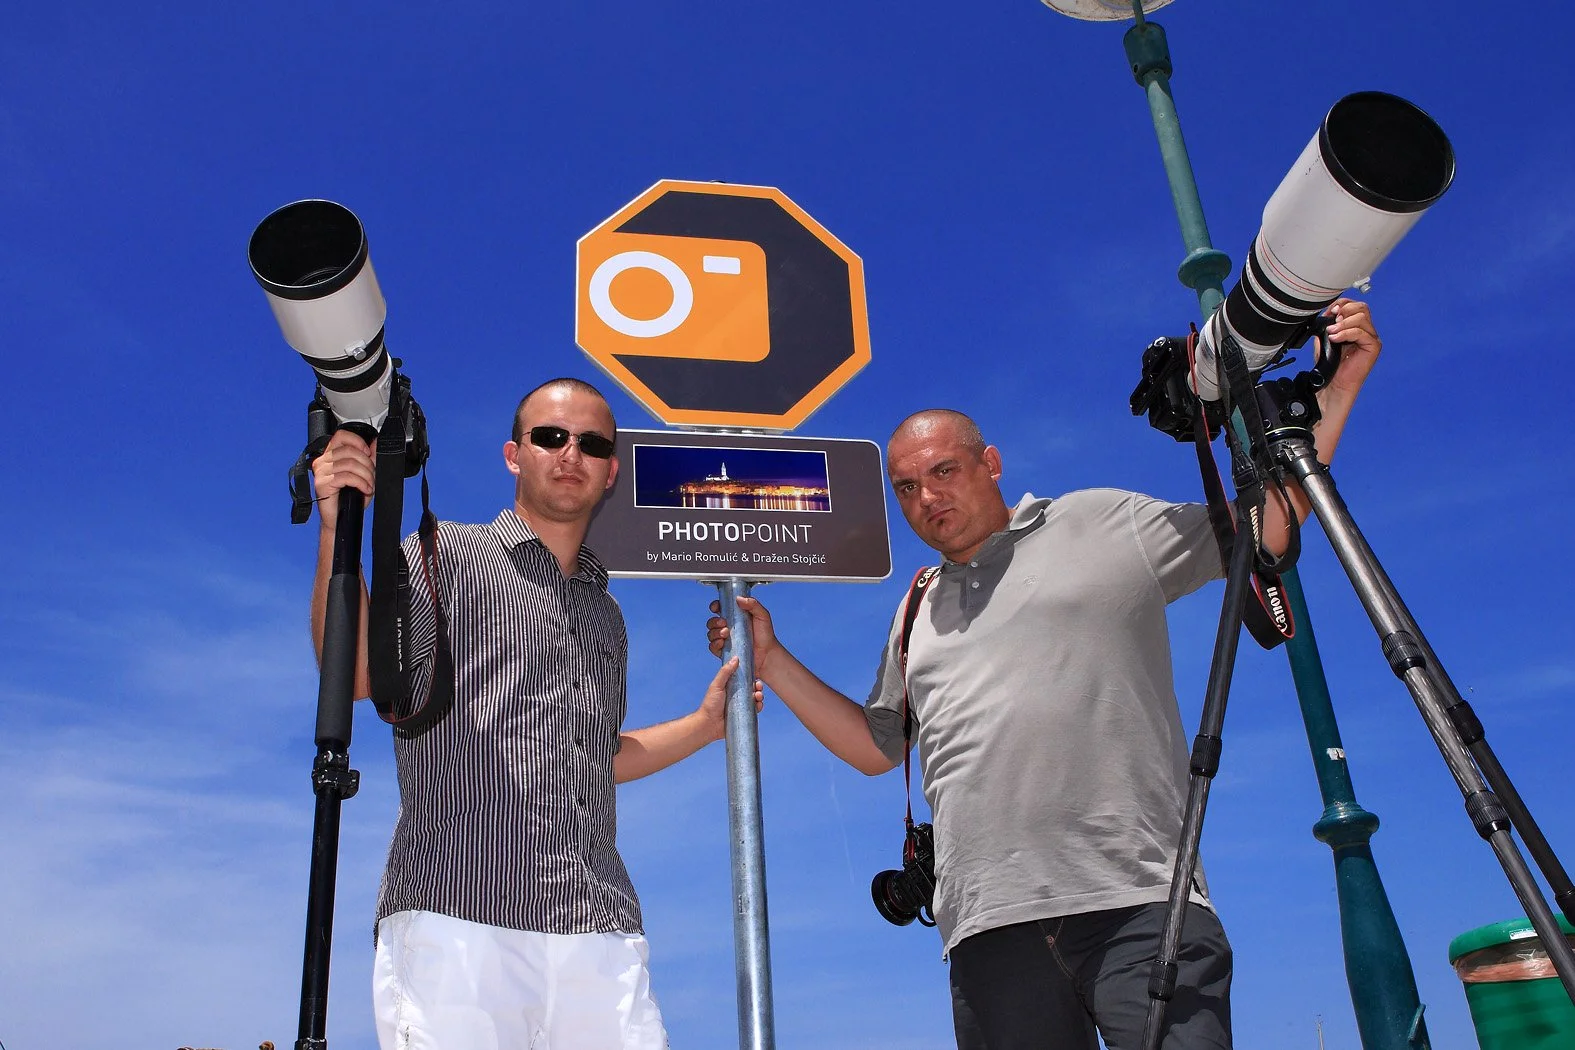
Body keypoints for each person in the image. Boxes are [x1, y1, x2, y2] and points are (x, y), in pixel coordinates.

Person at [707, 301, 1383, 1048]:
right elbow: (875, 748)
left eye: (944, 471)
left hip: (1138, 902)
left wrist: (1341, 386)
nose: (927, 498)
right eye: (905, 487)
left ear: (989, 464)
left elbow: (1269, 527)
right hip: (988, 927)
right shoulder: (915, 608)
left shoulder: (1101, 523)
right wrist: (770, 656)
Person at [312, 376, 756, 1050]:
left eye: (592, 443)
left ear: (610, 471)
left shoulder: (604, 615)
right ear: (514, 454)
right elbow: (358, 678)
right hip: (457, 916)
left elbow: (594, 759)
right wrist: (337, 528)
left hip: (600, 929)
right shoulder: (445, 556)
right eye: (550, 437)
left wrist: (706, 723)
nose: (569, 453)